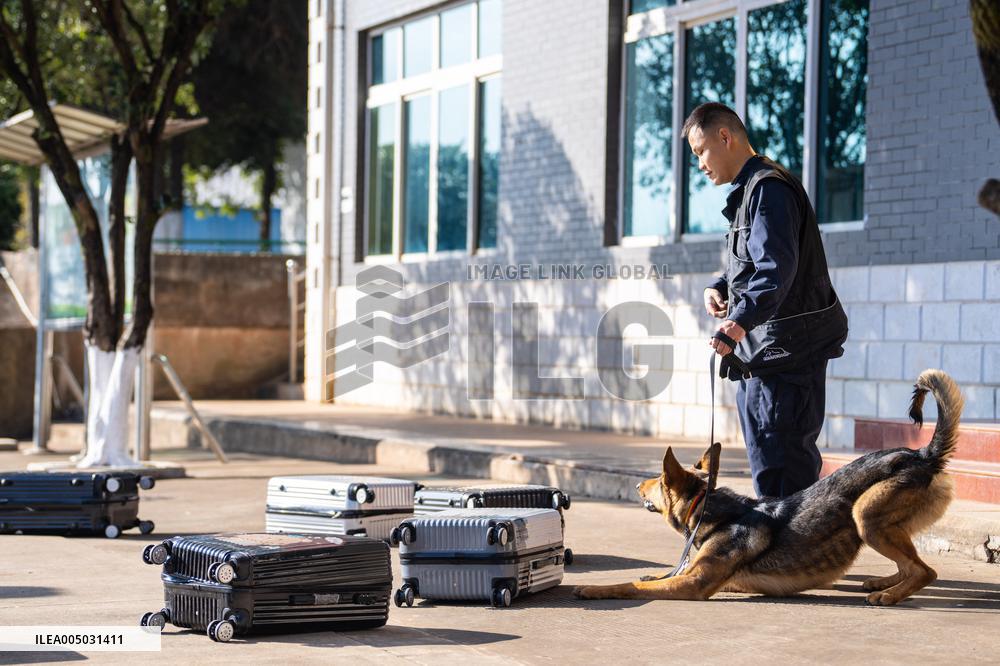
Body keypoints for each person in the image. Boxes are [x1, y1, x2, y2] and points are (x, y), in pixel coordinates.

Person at [684, 102, 849, 499]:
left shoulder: (769, 189)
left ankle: (796, 560)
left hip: (787, 354)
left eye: (700, 151)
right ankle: (783, 558)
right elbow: (753, 262)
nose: (700, 164)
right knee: (768, 462)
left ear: (725, 137)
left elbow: (776, 269)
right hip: (767, 352)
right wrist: (721, 286)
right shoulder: (750, 193)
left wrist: (737, 321)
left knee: (783, 468)